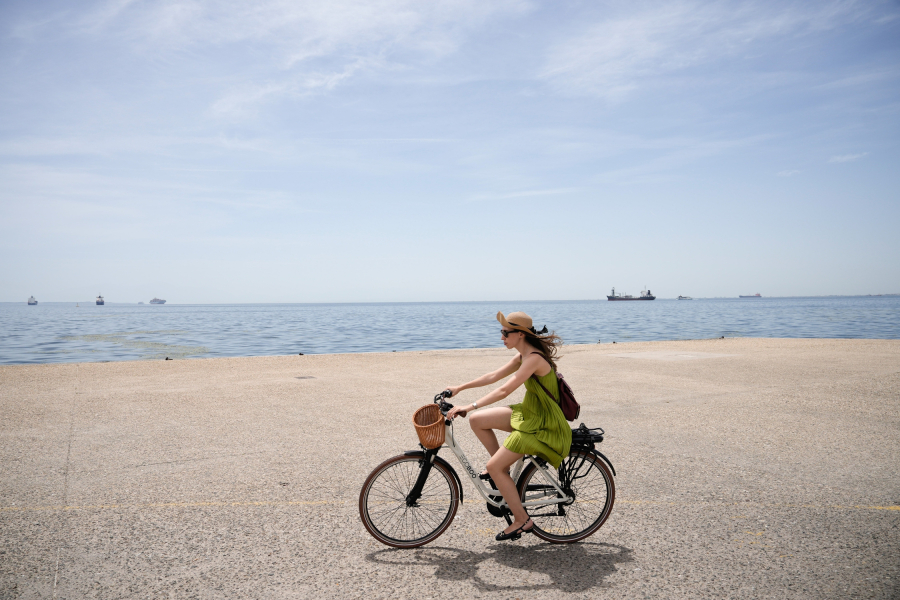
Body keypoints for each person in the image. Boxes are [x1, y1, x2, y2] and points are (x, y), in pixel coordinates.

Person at [446, 311, 572, 541]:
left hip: (542, 424)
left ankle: (522, 520)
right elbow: (493, 376)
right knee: (478, 420)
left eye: (505, 333)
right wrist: (460, 387)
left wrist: (469, 405)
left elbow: (505, 390)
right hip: (530, 413)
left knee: (492, 465)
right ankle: (502, 472)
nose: (501, 337)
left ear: (520, 334)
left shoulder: (533, 358)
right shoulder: (523, 355)